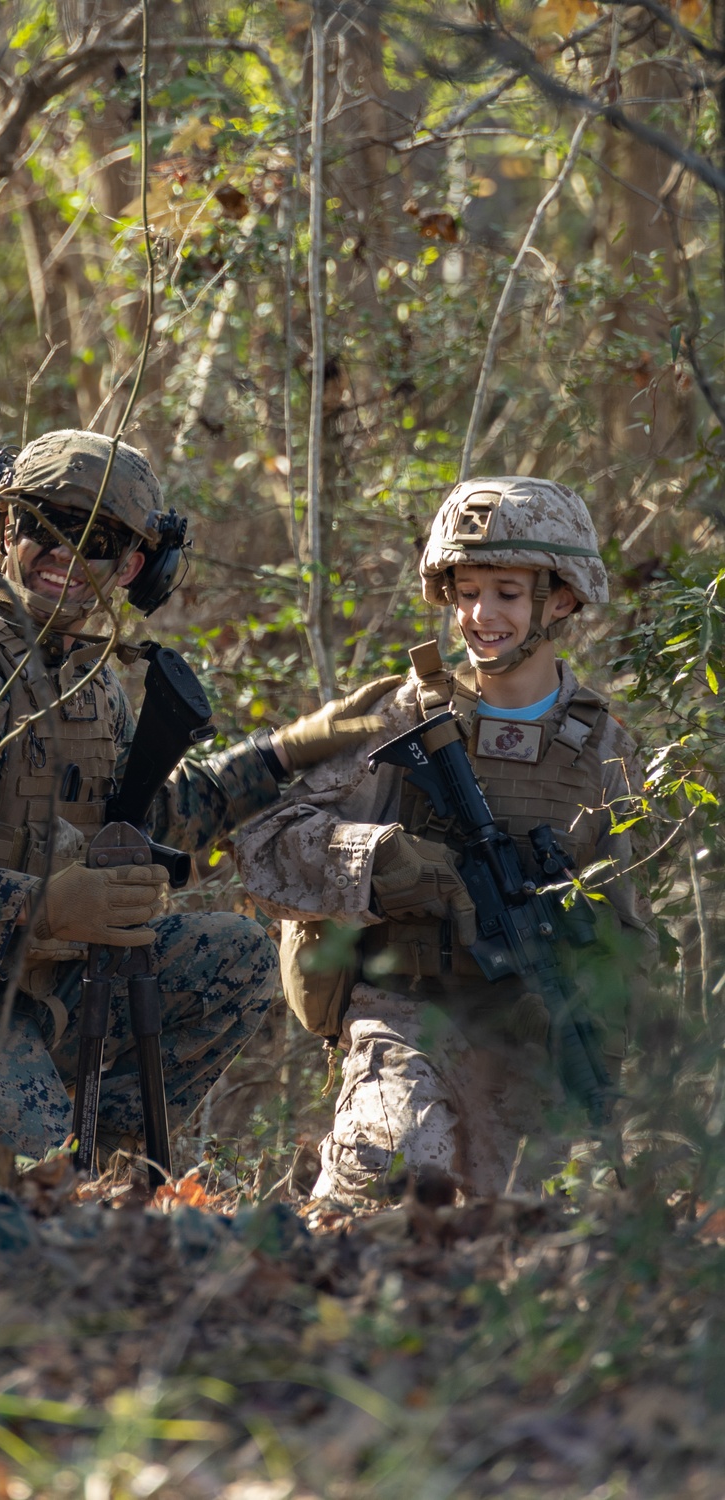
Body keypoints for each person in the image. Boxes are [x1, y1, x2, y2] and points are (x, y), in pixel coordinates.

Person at [0, 430, 393, 1164]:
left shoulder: (88, 679)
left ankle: (105, 1163)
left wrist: (283, 753)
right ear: (4, 528)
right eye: (45, 526)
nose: (66, 555)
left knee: (233, 959)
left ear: (136, 566)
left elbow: (141, 816)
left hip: (20, 991)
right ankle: (32, 1163)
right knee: (36, 1157)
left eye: (98, 539)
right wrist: (43, 906)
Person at [235, 476, 654, 1203]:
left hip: (535, 1044)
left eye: (506, 593)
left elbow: (628, 931)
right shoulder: (400, 717)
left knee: (572, 1225)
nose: (479, 615)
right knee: (387, 1188)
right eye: (464, 592)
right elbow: (263, 844)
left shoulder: (607, 750)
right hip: (405, 1020)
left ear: (562, 599)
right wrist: (376, 860)